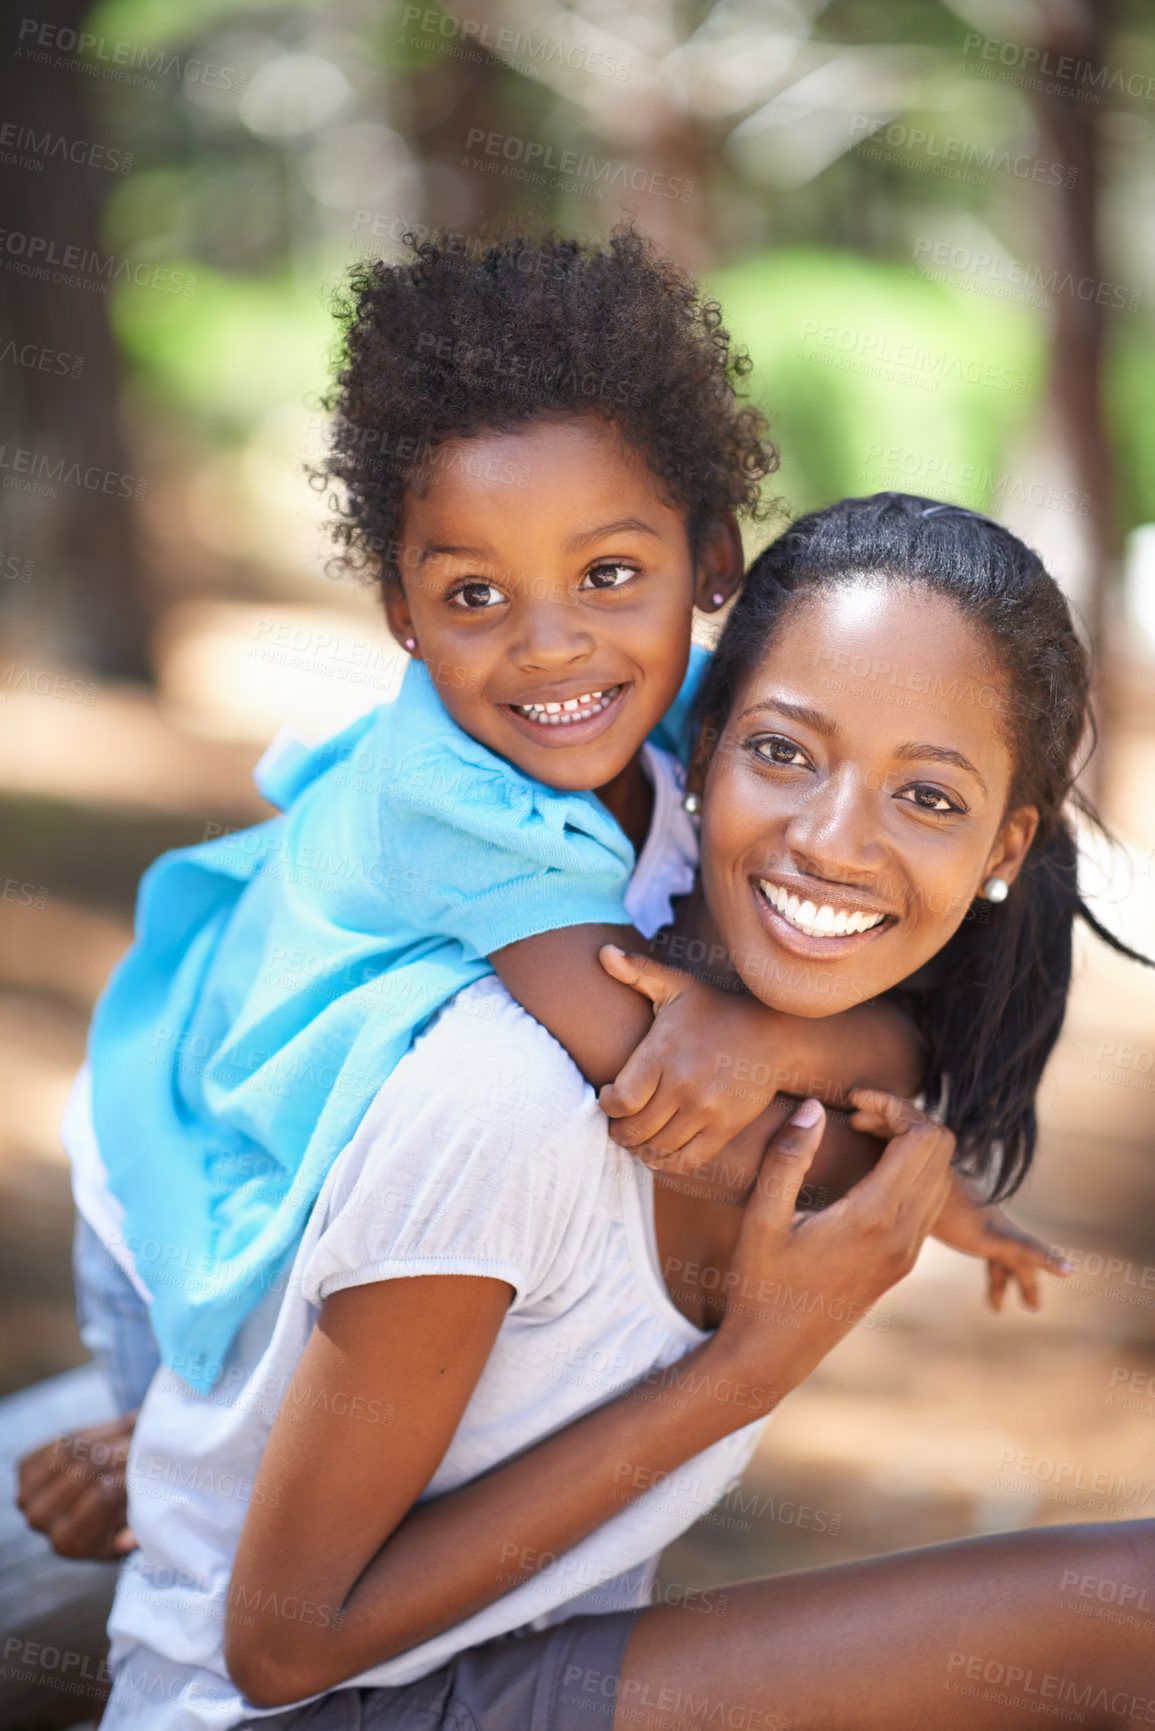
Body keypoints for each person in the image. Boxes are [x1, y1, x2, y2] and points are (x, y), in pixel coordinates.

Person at [81, 496, 1155, 1728]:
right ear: (699, 757)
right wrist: (746, 1369)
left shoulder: (851, 1106)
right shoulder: (511, 1092)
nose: (835, 841)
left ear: (1007, 843)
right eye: (785, 753)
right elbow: (280, 1648)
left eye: (930, 799)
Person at [69, 228, 924, 1419]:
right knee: (193, 1492)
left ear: (713, 559)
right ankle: (133, 1447)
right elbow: (675, 1120)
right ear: (402, 613)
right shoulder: (456, 802)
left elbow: (742, 1066)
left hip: (346, 1178)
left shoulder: (693, 718)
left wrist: (815, 1066)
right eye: (475, 594)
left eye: (610, 574)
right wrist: (889, 1109)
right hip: (179, 1191)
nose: (550, 643)